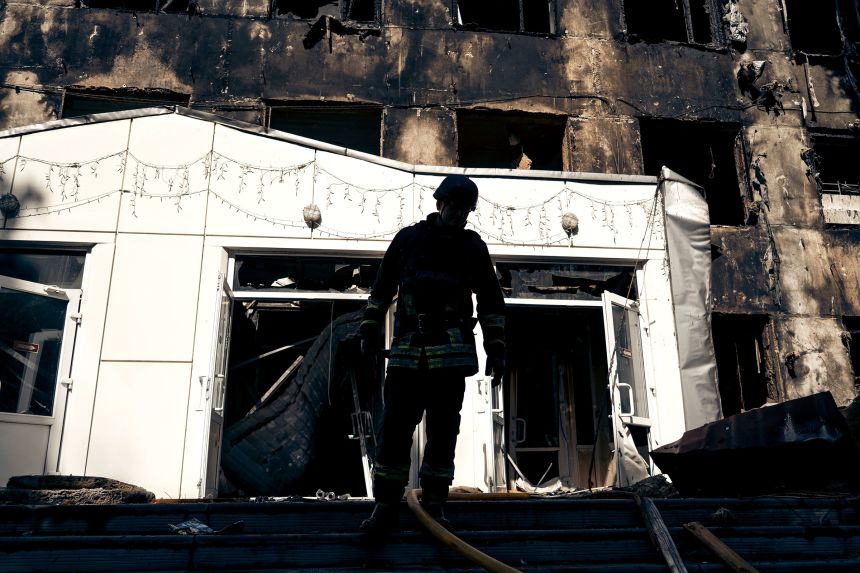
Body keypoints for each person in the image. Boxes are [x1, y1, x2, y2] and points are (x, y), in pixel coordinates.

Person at [358, 174, 506, 535]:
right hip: (408, 357)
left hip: (450, 361)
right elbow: (381, 289)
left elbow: (490, 300)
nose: (458, 214)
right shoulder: (408, 241)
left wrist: (497, 348)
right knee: (394, 431)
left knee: (443, 433)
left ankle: (435, 503)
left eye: (465, 209)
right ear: (440, 203)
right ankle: (385, 505)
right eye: (453, 206)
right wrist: (368, 328)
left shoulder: (473, 248)